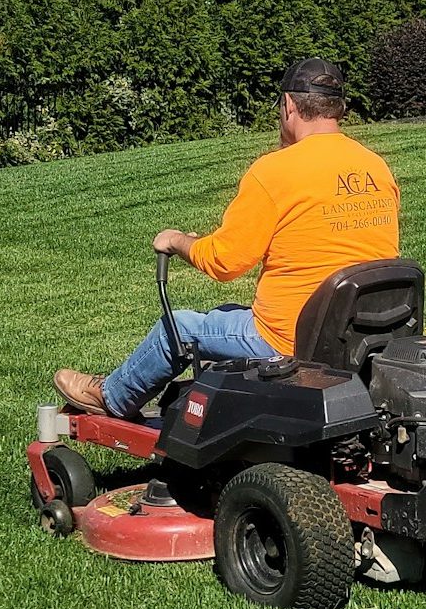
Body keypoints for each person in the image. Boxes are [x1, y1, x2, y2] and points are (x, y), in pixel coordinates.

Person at [55, 57, 400, 418]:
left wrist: (177, 241)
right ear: (339, 107)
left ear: (288, 105)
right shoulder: (374, 166)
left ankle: (112, 396)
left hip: (287, 340)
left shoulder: (275, 171)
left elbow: (225, 261)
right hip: (358, 337)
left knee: (179, 328)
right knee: (225, 316)